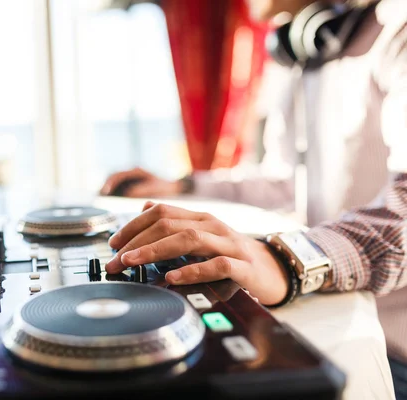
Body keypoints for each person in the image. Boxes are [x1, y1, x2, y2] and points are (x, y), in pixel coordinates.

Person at [101, 0, 407, 398]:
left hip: (392, 351)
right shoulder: (304, 54)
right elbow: (284, 183)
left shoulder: (398, 29)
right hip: (328, 317)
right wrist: (182, 187)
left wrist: (289, 259)